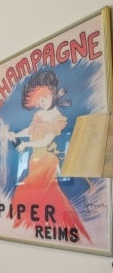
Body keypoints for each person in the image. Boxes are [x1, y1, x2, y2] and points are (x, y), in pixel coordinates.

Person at [5, 70, 89, 240]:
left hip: (47, 161)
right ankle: (54, 227)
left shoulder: (57, 117)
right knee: (48, 197)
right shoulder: (39, 114)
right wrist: (15, 135)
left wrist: (25, 144)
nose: (41, 103)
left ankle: (26, 225)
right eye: (38, 101)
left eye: (43, 98)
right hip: (34, 161)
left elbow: (45, 141)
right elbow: (30, 130)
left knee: (26, 192)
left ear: (51, 92)